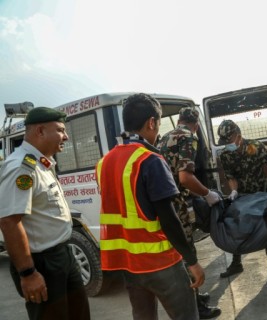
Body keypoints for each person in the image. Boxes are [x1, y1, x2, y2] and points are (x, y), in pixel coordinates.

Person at [96, 93, 206, 320]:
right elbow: (168, 218)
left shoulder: (104, 162)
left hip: (129, 264)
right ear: (152, 122)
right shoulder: (149, 160)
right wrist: (192, 261)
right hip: (161, 262)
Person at [0, 107, 91, 320]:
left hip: (62, 255)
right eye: (60, 130)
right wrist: (28, 274)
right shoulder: (21, 168)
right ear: (40, 131)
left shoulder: (42, 163)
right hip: (42, 263)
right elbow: (9, 222)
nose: (66, 136)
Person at [157, 107, 222, 319]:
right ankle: (196, 308)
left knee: (182, 252)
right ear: (195, 124)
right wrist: (207, 194)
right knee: (186, 255)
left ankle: (196, 295)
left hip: (163, 203)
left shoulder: (164, 137)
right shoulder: (189, 137)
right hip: (176, 204)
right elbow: (185, 178)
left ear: (178, 120)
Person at [217, 119, 267, 285]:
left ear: (238, 136)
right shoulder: (226, 155)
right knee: (237, 229)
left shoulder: (255, 146)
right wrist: (233, 190)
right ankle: (236, 263)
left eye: (228, 140)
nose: (226, 144)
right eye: (224, 141)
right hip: (242, 198)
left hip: (262, 196)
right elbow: (231, 177)